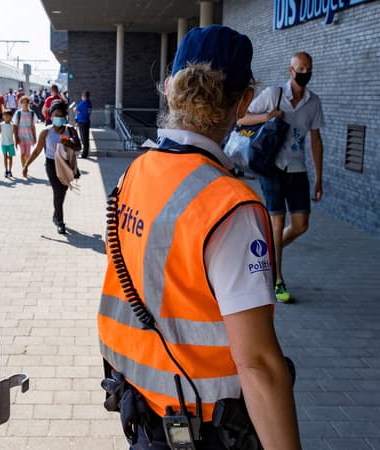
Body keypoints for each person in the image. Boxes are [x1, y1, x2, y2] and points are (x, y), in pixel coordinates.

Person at [97, 26, 301, 449]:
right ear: (245, 102)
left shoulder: (136, 173)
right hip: (204, 429)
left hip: (141, 410)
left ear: (170, 89)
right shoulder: (230, 206)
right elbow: (259, 364)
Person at [239, 51, 324, 303]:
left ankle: (266, 256)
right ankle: (277, 280)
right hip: (271, 165)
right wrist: (266, 116)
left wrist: (319, 177)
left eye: (308, 69)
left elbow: (316, 139)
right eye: (300, 69)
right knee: (277, 222)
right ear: (291, 70)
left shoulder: (314, 102)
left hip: (298, 168)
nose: (305, 73)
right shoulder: (274, 94)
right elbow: (241, 118)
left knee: (300, 225)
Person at [23, 100, 81, 234]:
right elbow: (37, 150)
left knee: (63, 191)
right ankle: (60, 221)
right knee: (58, 190)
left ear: (65, 116)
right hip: (51, 164)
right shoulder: (46, 132)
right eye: (56, 115)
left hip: (66, 165)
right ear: (51, 115)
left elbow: (79, 147)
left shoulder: (70, 130)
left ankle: (56, 214)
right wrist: (26, 165)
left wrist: (69, 143)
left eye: (61, 115)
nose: (59, 118)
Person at [15, 95, 37, 171]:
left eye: (26, 102)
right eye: (23, 102)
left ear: (29, 103)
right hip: (20, 136)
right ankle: (23, 168)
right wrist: (16, 137)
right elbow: (15, 126)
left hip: (29, 136)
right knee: (22, 154)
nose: (25, 104)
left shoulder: (32, 113)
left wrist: (35, 137)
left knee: (28, 154)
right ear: (21, 103)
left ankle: (26, 166)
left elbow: (33, 126)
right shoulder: (18, 113)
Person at [73, 90, 92, 158]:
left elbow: (75, 109)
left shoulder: (84, 103)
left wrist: (78, 112)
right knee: (85, 138)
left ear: (83, 96)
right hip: (87, 121)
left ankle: (84, 154)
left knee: (84, 138)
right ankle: (86, 151)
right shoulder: (89, 103)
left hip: (82, 122)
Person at [0, 109, 17, 178]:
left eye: (8, 116)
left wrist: (16, 143)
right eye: (5, 115)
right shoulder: (1, 125)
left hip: (11, 144)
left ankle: (10, 170)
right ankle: (6, 170)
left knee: (10, 157)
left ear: (11, 117)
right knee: (5, 157)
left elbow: (15, 135)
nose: (6, 117)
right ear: (3, 116)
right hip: (3, 144)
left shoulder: (13, 125)